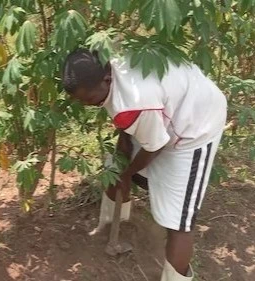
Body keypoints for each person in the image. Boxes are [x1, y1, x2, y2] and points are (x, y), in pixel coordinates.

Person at [62, 48, 227, 281]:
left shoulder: (136, 104)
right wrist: (122, 167)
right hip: (167, 106)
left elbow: (155, 146)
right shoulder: (108, 66)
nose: (86, 105)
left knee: (179, 220)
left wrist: (128, 173)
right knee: (116, 167)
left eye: (88, 99)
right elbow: (128, 129)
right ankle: (113, 227)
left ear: (108, 79)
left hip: (195, 123)